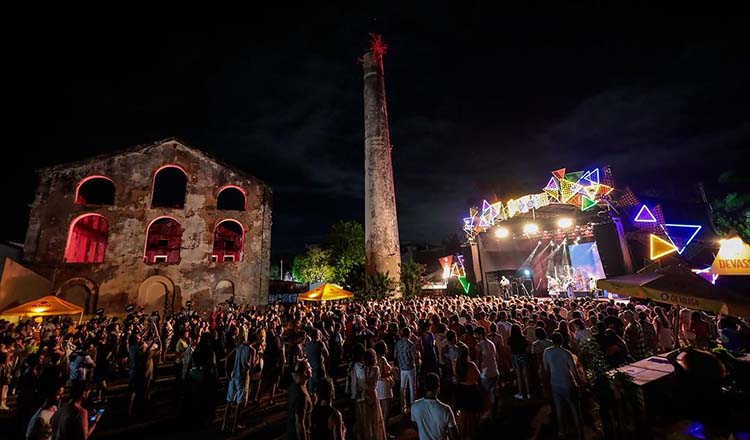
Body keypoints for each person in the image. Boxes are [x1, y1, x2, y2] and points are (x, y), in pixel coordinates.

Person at [543, 332, 583, 440]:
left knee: (559, 409)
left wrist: (546, 385)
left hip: (555, 383)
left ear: (552, 340)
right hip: (568, 383)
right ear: (561, 341)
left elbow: (546, 370)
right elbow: (574, 371)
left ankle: (562, 432)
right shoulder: (566, 353)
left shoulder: (547, 352)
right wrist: (579, 384)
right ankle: (580, 433)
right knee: (575, 409)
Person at [351, 349, 387, 440]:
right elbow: (374, 383)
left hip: (362, 396)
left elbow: (356, 383)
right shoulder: (376, 369)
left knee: (364, 419)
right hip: (372, 395)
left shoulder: (359, 369)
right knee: (374, 419)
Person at [411, 372, 458, 440]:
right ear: (438, 387)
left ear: (425, 386)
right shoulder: (446, 409)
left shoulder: (415, 406)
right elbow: (454, 436)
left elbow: (415, 424)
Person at [222, 336, 255, 433]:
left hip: (234, 375)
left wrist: (227, 373)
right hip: (243, 376)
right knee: (240, 402)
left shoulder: (239, 347)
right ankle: (235, 426)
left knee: (229, 401)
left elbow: (227, 357)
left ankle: (224, 424)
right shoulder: (252, 350)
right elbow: (252, 366)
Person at [453, 343, 480, 440]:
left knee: (463, 417)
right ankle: (472, 435)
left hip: (460, 390)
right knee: (472, 417)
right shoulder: (471, 365)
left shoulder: (456, 364)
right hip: (471, 390)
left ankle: (462, 436)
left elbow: (456, 377)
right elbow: (478, 376)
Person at [288, 360, 313, 440]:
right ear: (305, 372)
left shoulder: (295, 386)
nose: (311, 368)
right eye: (309, 367)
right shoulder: (302, 395)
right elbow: (299, 424)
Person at [395, 327, 418, 413]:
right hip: (410, 367)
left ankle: (403, 406)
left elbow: (395, 355)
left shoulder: (398, 343)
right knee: (412, 387)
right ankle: (412, 406)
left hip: (402, 368)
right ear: (409, 334)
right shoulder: (411, 344)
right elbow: (414, 356)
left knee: (402, 387)